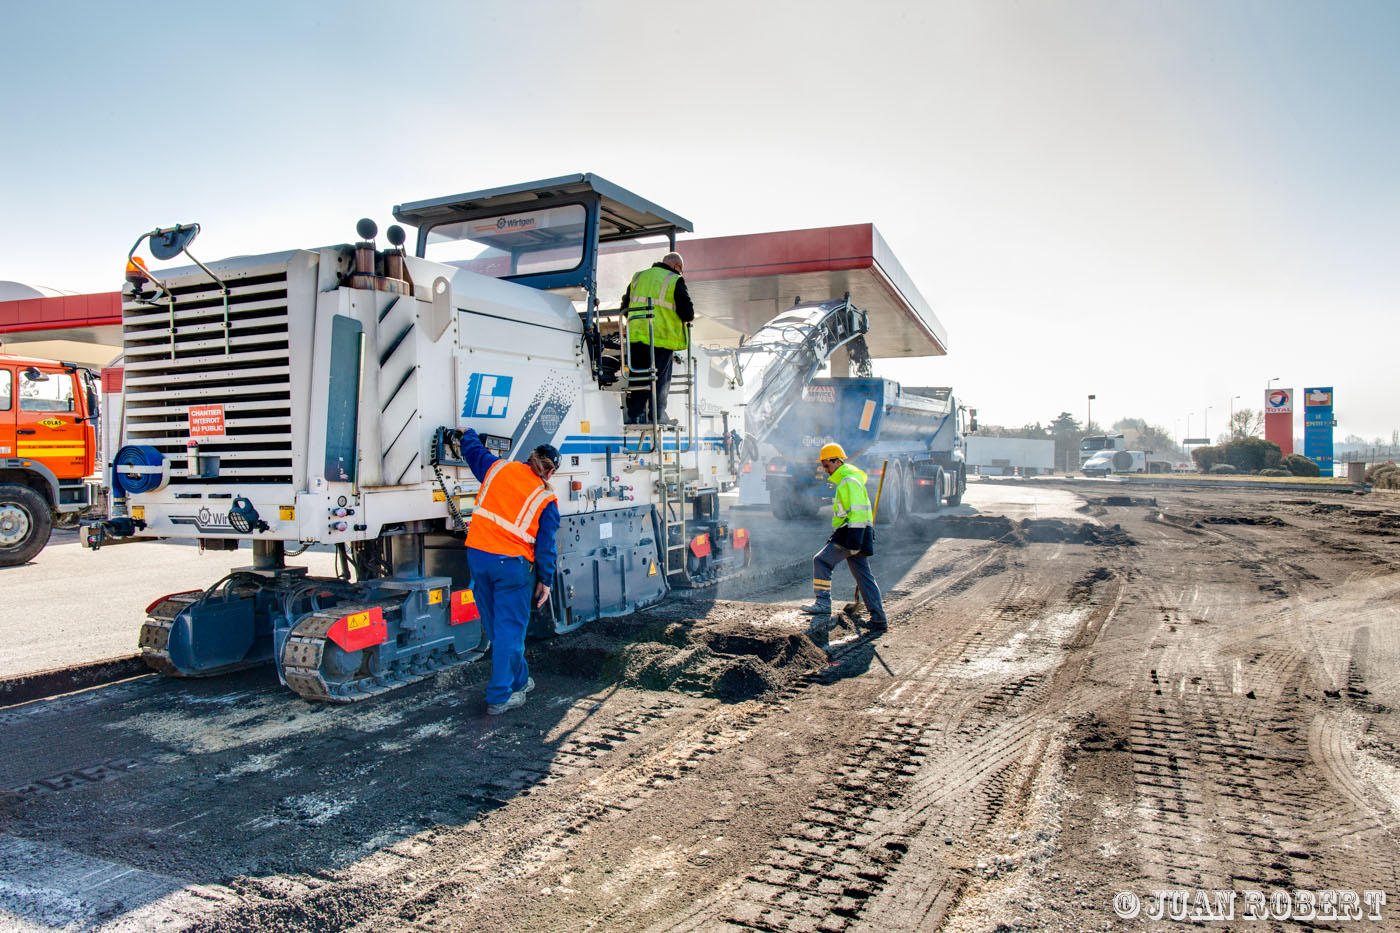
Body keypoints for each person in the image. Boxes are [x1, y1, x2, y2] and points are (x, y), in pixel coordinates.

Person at [459, 428, 561, 715]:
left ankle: (519, 679)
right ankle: (500, 696)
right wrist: (546, 581)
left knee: (495, 627)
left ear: (530, 459)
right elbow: (545, 548)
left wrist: (467, 434)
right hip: (512, 567)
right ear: (549, 473)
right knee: (509, 632)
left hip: (478, 558)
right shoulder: (546, 499)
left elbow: (474, 452)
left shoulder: (497, 468)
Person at [801, 443, 887, 632]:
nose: (825, 470)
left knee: (821, 561)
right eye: (823, 466)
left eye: (826, 465)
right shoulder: (849, 479)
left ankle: (823, 603)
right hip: (854, 533)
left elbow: (857, 512)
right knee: (864, 576)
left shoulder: (849, 481)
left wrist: (854, 542)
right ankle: (879, 620)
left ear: (837, 461)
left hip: (851, 534)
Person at [623, 251, 694, 424]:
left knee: (638, 377)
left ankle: (635, 415)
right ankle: (658, 415)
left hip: (636, 337)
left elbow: (625, 307)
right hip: (660, 338)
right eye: (680, 269)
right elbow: (688, 313)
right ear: (677, 266)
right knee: (660, 379)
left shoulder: (638, 277)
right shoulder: (674, 280)